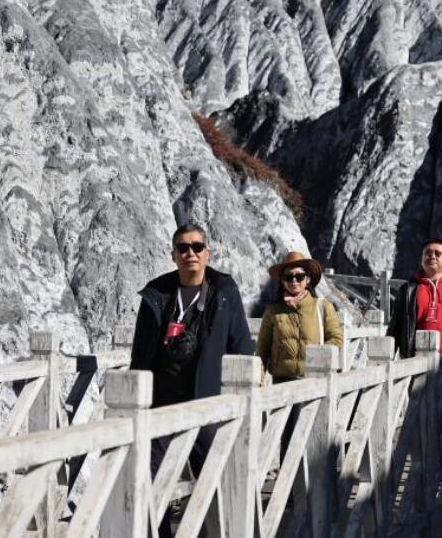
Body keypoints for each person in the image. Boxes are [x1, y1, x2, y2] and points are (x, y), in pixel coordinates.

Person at [130, 224, 253, 537]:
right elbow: (141, 351)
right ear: (173, 255)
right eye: (183, 248)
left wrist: (247, 387)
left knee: (216, 481)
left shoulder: (223, 291)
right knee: (149, 480)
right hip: (161, 404)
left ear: (207, 253)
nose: (191, 254)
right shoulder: (157, 294)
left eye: (197, 247)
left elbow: (240, 342)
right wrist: (134, 393)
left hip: (207, 402)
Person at [255, 251, 343, 382]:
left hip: (315, 380)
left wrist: (317, 358)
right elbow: (262, 348)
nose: (294, 281)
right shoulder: (273, 311)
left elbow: (336, 339)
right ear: (282, 281)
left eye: (299, 276)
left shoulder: (323, 307)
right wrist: (258, 379)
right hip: (281, 382)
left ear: (307, 280)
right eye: (288, 277)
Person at [386, 238, 442, 358]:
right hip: (413, 359)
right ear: (422, 258)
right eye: (428, 253)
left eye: (438, 253)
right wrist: (387, 357)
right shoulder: (407, 289)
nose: (432, 256)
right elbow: (395, 326)